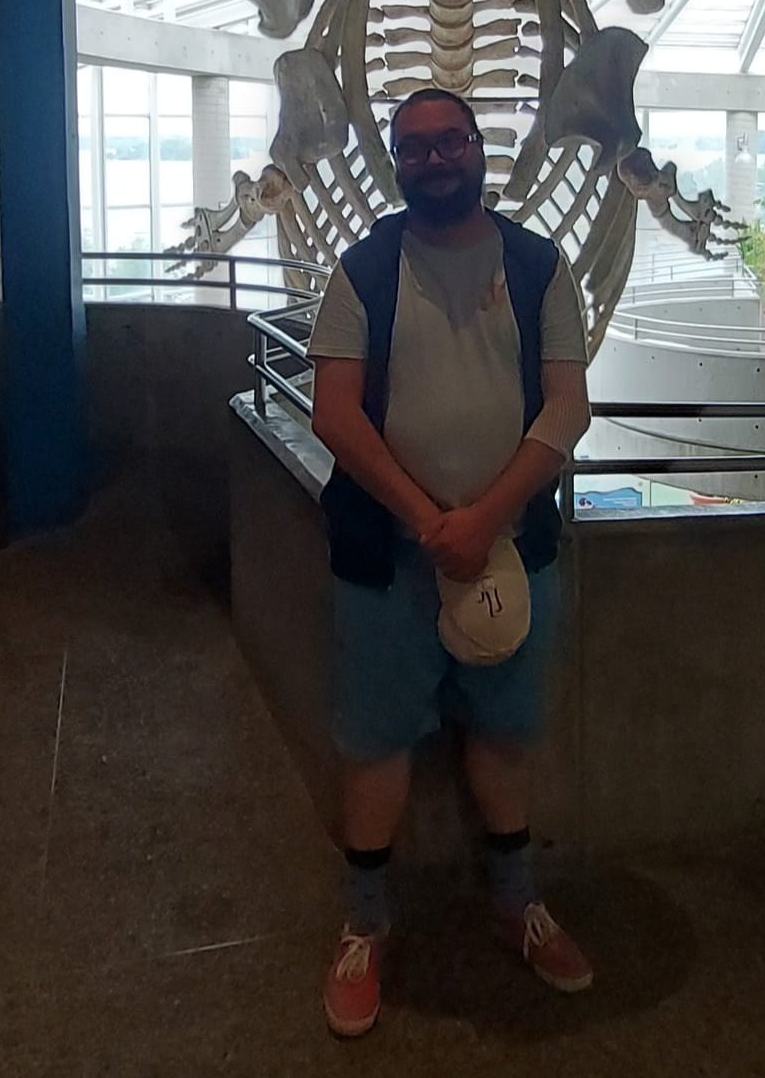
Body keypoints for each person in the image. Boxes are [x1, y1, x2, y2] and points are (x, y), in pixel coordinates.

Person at [308, 86, 594, 1037]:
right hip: (387, 557)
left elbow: (566, 407)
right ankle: (365, 925)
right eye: (416, 148)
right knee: (377, 741)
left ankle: (518, 899)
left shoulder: (543, 267)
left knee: (505, 730)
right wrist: (431, 518)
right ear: (397, 164)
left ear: (479, 149)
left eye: (449, 142)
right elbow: (336, 411)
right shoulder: (361, 271)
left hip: (513, 549)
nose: (435, 160)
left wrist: (487, 519)